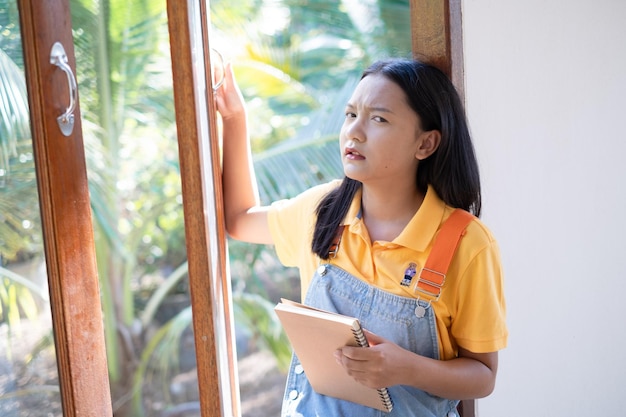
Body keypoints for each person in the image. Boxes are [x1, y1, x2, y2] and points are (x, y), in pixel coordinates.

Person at [216, 57, 508, 417]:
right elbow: (239, 220)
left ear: (426, 143)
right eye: (351, 114)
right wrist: (233, 119)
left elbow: (482, 376)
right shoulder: (322, 212)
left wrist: (407, 368)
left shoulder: (467, 244)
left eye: (379, 118)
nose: (354, 132)